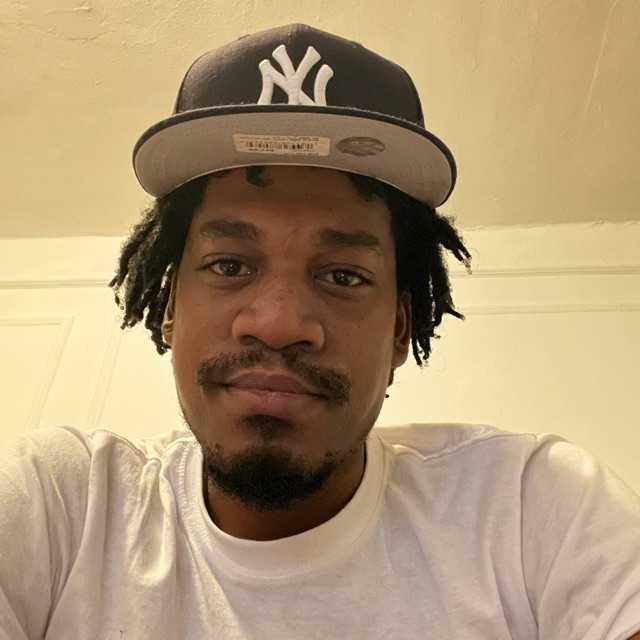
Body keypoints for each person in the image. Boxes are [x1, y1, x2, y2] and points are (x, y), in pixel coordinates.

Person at [2, 23, 639, 640]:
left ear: (400, 330)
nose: (278, 324)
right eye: (229, 266)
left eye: (343, 275)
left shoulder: (533, 509)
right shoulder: (59, 505)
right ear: (170, 307)